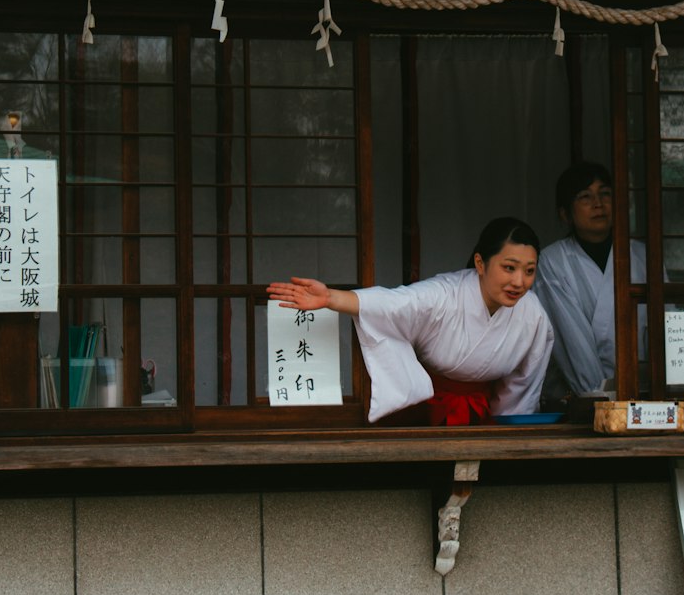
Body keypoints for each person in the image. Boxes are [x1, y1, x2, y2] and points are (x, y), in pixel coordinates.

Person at [267, 217, 554, 425]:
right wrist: (331, 298)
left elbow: (524, 385)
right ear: (480, 263)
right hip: (426, 409)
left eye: (529, 271)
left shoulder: (532, 313)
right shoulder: (445, 294)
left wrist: (509, 431)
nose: (519, 281)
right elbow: (395, 304)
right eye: (509, 268)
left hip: (484, 417)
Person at [533, 161, 649, 405]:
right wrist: (597, 396)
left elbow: (661, 322)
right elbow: (570, 338)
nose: (599, 204)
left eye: (605, 194)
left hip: (643, 391)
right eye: (585, 197)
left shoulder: (641, 256)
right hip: (580, 398)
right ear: (565, 213)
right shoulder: (553, 262)